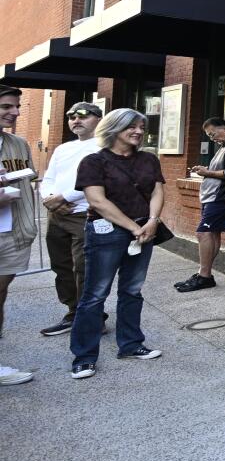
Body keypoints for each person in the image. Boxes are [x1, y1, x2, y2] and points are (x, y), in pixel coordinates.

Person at [69, 108, 167, 379]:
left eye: (140, 127)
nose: (137, 131)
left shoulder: (148, 159)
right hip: (108, 233)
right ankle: (84, 356)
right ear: (113, 129)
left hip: (144, 230)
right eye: (130, 127)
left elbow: (158, 190)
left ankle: (131, 344)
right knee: (95, 294)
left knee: (132, 290)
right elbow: (97, 201)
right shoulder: (94, 161)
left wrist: (153, 221)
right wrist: (135, 227)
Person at [38, 102, 103, 336]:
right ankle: (73, 311)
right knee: (61, 265)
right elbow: (48, 178)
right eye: (71, 116)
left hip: (84, 215)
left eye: (83, 115)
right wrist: (49, 199)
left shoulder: (104, 146)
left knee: (83, 268)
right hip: (57, 215)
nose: (76, 119)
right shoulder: (62, 148)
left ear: (98, 118)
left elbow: (97, 179)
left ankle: (92, 317)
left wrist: (63, 198)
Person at [179, 117, 225, 292]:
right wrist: (205, 171)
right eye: (209, 136)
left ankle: (205, 276)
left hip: (222, 198)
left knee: (202, 233)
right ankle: (203, 273)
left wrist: (207, 172)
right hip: (215, 197)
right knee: (212, 234)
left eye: (212, 134)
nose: (212, 138)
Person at [0, 86, 35, 385]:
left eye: (17, 106)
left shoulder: (18, 144)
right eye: (7, 107)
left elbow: (25, 177)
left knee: (0, 295)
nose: (15, 112)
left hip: (12, 234)